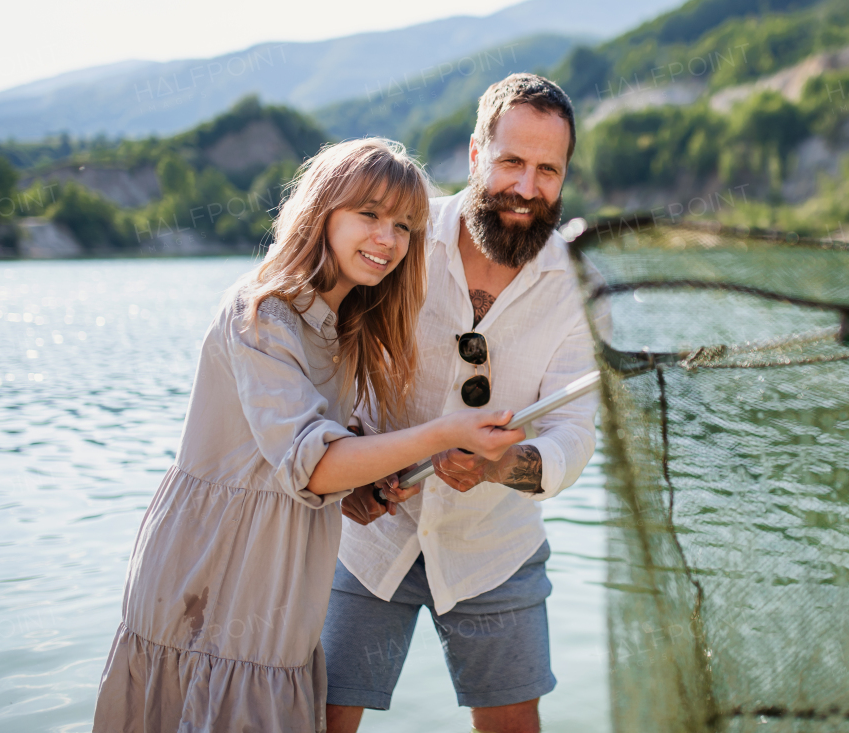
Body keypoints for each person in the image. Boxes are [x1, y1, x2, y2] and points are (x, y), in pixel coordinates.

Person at [91, 138, 527, 733]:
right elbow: (312, 464)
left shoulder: (345, 328)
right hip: (212, 575)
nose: (387, 239)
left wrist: (361, 487)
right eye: (368, 215)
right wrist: (441, 432)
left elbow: (308, 461)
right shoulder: (261, 314)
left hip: (284, 580)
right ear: (322, 211)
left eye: (403, 225)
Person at [323, 74, 604, 733]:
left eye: (547, 170)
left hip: (494, 545)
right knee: (321, 714)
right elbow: (329, 364)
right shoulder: (400, 240)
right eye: (511, 161)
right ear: (476, 154)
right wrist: (346, 469)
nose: (527, 189)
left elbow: (573, 435)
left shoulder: (580, 289)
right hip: (367, 536)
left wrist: (498, 467)